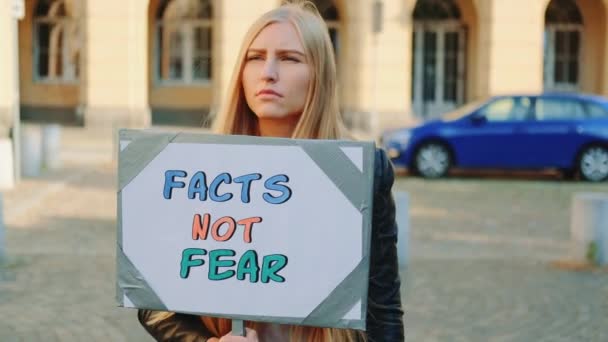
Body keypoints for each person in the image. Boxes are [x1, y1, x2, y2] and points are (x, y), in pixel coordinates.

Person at [138, 1, 404, 341]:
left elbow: (384, 312)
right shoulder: (199, 173)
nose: (268, 72)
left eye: (290, 58)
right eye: (255, 57)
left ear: (319, 75)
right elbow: (154, 301)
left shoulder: (364, 173)